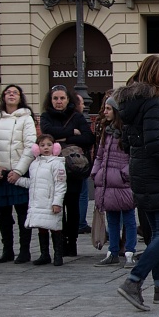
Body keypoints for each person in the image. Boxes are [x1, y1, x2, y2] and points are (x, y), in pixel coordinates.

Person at [114, 55, 159, 311]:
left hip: (141, 171)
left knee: (157, 234)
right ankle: (134, 281)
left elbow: (126, 141)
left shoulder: (131, 104)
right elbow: (156, 144)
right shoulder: (154, 105)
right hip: (158, 173)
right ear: (154, 75)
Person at [39, 84, 94, 257]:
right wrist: (72, 134)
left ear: (68, 99)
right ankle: (59, 242)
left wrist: (62, 136)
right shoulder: (46, 116)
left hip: (73, 169)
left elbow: (88, 138)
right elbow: (47, 133)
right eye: (55, 98)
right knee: (57, 205)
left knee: (73, 205)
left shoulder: (77, 116)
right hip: (53, 169)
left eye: (62, 98)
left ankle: (72, 241)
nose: (59, 101)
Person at [0, 85, 36, 264]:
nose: (11, 95)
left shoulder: (26, 118)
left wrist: (18, 171)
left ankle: (24, 251)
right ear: (3, 97)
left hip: (18, 173)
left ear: (20, 97)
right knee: (3, 216)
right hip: (0, 173)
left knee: (22, 214)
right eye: (8, 92)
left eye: (15, 92)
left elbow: (30, 146)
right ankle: (7, 250)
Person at [91, 96, 138, 268]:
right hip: (106, 182)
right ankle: (112, 251)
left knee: (129, 219)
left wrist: (124, 174)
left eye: (108, 109)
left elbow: (134, 156)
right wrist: (96, 172)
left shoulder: (127, 132)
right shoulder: (106, 131)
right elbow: (100, 154)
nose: (105, 112)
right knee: (111, 217)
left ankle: (129, 252)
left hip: (122, 182)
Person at [15, 134, 67, 266]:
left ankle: (58, 254)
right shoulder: (34, 164)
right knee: (42, 227)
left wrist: (57, 202)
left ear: (55, 147)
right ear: (37, 148)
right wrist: (17, 180)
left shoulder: (57, 163)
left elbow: (61, 185)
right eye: (42, 145)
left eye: (49, 145)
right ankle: (44, 254)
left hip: (51, 203)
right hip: (38, 202)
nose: (46, 148)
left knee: (55, 227)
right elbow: (32, 183)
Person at [75, 93, 91, 235]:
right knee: (82, 194)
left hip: (80, 163)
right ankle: (80, 223)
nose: (84, 106)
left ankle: (80, 222)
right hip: (78, 164)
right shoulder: (78, 119)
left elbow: (88, 138)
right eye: (81, 103)